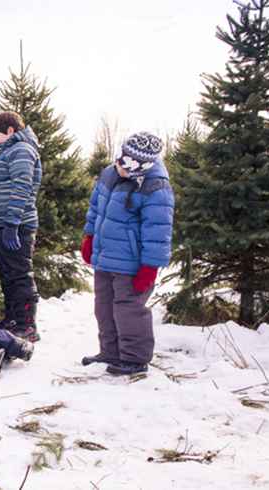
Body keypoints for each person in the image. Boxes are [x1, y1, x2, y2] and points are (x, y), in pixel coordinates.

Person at [80, 132, 175, 375]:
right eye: (120, 159)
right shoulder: (110, 173)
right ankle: (110, 352)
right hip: (105, 256)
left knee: (128, 310)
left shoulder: (156, 187)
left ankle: (134, 359)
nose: (120, 166)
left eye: (128, 164)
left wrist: (149, 267)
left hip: (131, 264)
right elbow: (95, 208)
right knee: (103, 307)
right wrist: (89, 237)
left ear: (142, 166)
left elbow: (158, 231)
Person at [0, 111, 43, 342]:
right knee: (7, 273)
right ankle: (12, 319)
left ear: (10, 131)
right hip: (1, 221)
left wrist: (12, 222)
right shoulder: (9, 151)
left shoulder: (22, 150)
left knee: (19, 274)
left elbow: (22, 187)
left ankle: (27, 324)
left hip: (16, 224)